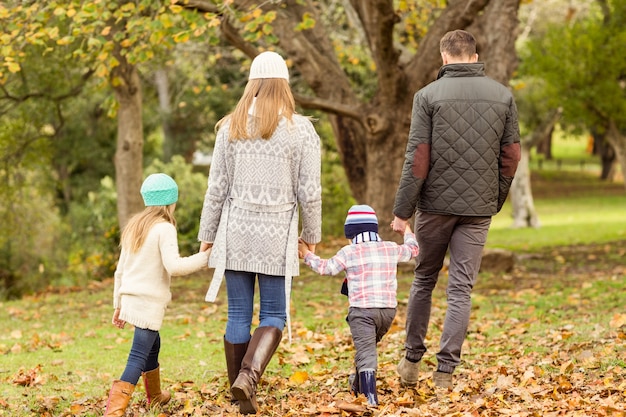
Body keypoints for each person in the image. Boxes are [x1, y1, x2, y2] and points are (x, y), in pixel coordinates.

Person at [391, 29, 521, 390]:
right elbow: (511, 157)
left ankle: (411, 361)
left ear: (444, 57)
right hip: (478, 209)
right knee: (461, 289)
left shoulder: (427, 96)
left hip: (434, 206)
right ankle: (445, 373)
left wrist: (402, 212)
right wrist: (493, 199)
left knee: (424, 280)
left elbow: (418, 158)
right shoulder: (502, 95)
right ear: (474, 55)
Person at [198, 51, 322, 414]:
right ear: (284, 84)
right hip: (276, 234)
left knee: (237, 314)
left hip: (236, 229)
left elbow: (216, 188)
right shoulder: (301, 130)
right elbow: (310, 191)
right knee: (273, 315)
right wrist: (311, 234)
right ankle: (247, 380)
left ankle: (239, 392)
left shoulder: (230, 127)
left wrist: (208, 233)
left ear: (252, 83)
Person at [104, 173, 211, 416]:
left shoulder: (135, 226)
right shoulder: (164, 228)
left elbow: (120, 270)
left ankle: (155, 397)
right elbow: (174, 266)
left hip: (131, 298)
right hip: (147, 301)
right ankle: (114, 411)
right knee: (137, 357)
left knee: (153, 343)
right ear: (171, 201)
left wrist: (118, 304)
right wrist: (205, 258)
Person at [298, 204, 419, 406]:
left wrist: (307, 255)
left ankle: (371, 398)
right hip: (388, 312)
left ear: (351, 233)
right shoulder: (389, 248)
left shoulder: (349, 252)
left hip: (362, 312)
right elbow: (413, 249)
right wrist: (406, 230)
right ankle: (357, 385)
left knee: (366, 352)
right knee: (367, 348)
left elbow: (326, 268)